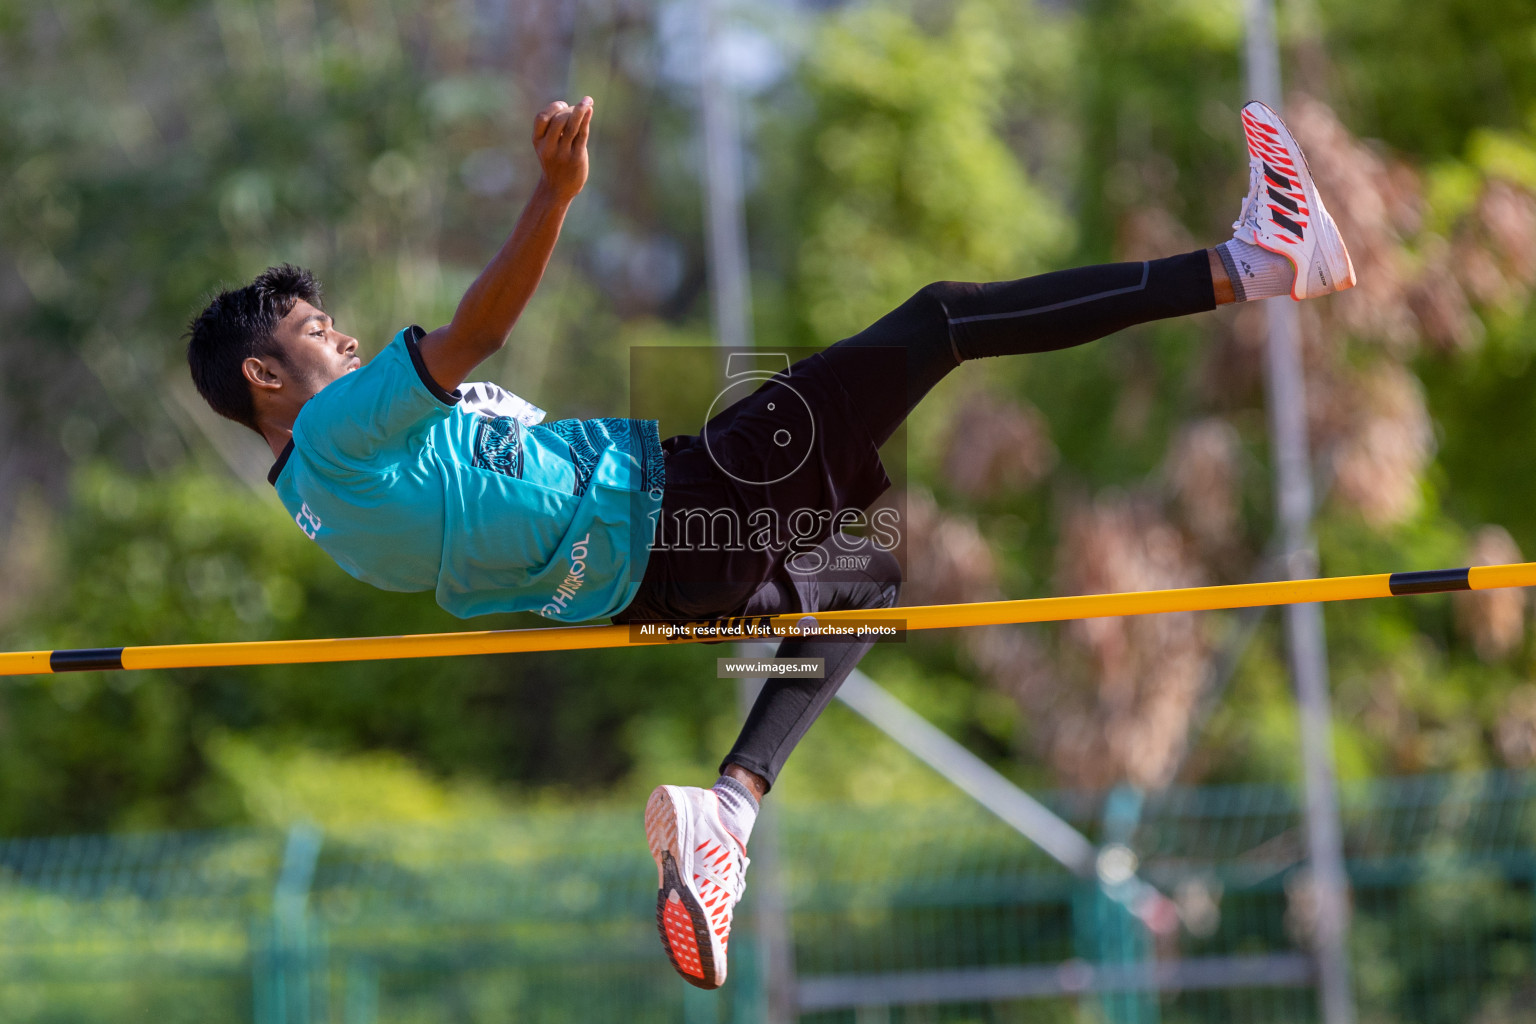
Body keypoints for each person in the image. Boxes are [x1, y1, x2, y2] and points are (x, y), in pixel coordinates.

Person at [186, 97, 1353, 989]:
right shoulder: (338, 431)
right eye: (319, 334)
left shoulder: (317, 505)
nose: (342, 342)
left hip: (649, 571)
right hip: (671, 507)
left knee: (859, 575)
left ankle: (729, 814)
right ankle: (1258, 259)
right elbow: (480, 329)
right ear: (264, 376)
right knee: (941, 319)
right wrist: (557, 193)